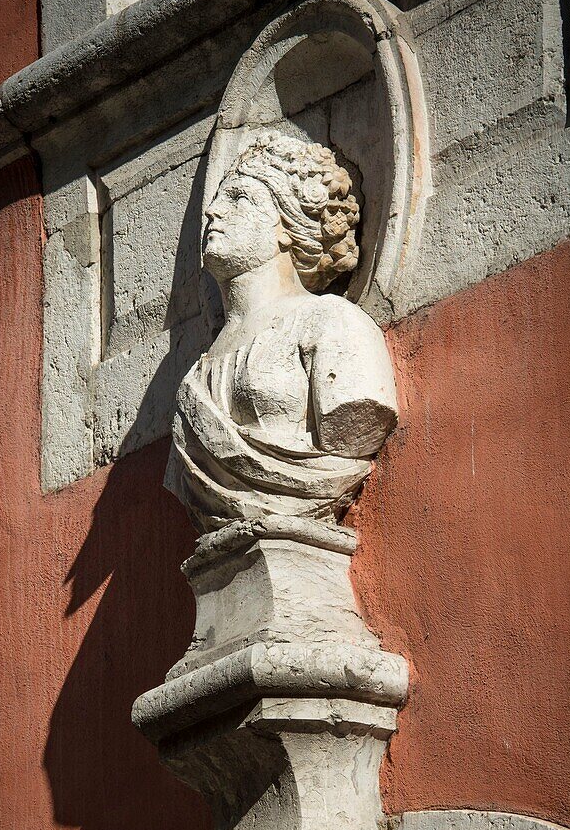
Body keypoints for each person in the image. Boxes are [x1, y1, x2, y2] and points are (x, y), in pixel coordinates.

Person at [166, 130, 398, 533]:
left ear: (287, 227)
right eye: (219, 198)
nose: (214, 212)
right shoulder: (198, 371)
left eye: (240, 199)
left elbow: (354, 425)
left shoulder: (333, 324)